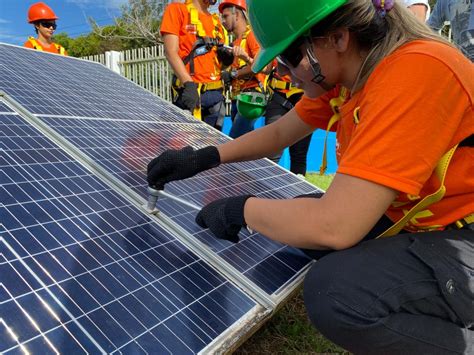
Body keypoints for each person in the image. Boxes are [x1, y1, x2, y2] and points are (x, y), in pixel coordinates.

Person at [148, 0, 474, 353]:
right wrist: (205, 157)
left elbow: (335, 226)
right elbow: (278, 134)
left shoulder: (416, 72)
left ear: (337, 38)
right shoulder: (348, 76)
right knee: (299, 221)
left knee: (335, 291)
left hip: (463, 235)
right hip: (426, 222)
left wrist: (242, 210)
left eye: (289, 57)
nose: (284, 72)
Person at [160, 0, 232, 130]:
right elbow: (170, 51)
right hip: (190, 93)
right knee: (187, 145)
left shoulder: (217, 23)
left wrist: (226, 62)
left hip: (215, 95)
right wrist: (188, 84)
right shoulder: (177, 10)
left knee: (212, 146)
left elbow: (218, 64)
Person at [219, 0, 266, 139]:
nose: (223, 21)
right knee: (246, 143)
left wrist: (234, 74)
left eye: (226, 16)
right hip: (237, 99)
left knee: (235, 138)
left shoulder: (252, 36)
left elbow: (260, 65)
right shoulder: (234, 43)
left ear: (237, 15)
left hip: (251, 97)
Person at [264, 62, 312, 175]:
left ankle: (298, 191)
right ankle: (265, 190)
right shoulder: (276, 44)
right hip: (278, 96)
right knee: (271, 151)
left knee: (299, 154)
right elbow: (263, 67)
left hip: (304, 97)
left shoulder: (315, 45)